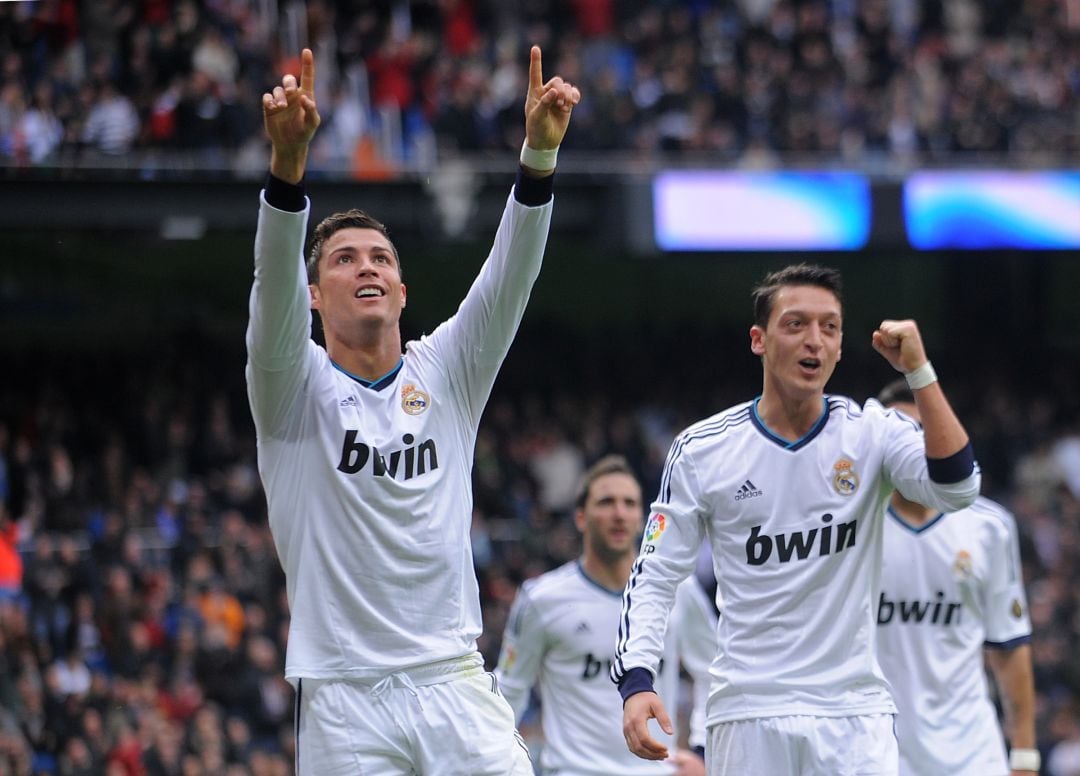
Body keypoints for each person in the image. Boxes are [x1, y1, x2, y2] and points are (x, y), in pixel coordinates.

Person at [247, 46, 580, 774]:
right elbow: (270, 288)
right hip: (345, 701)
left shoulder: (448, 371)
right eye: (343, 259)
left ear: (401, 292)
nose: (366, 266)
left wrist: (539, 156)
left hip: (454, 683)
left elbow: (509, 278)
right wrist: (287, 173)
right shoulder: (291, 389)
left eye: (380, 259)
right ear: (313, 297)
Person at [612, 263, 981, 775]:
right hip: (748, 712)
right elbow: (654, 576)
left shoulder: (872, 432)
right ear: (759, 340)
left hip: (853, 714)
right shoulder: (702, 450)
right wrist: (637, 679)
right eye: (796, 324)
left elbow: (958, 487)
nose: (815, 341)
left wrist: (918, 372)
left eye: (829, 327)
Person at [496, 455, 715, 776]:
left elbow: (714, 670)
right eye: (606, 502)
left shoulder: (678, 590)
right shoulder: (542, 598)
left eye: (629, 504)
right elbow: (508, 691)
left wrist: (701, 751)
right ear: (581, 517)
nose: (619, 513)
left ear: (642, 519)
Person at [875, 380, 1038, 776]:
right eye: (898, 433)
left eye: (923, 431)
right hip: (876, 753)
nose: (913, 446)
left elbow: (1009, 644)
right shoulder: (854, 528)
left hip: (971, 755)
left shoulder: (989, 527)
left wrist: (1024, 756)